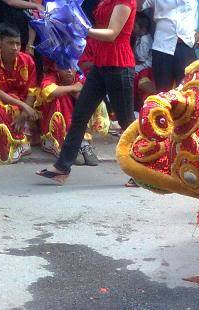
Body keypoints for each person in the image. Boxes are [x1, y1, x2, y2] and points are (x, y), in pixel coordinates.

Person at [36, 0, 137, 184]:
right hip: (100, 65)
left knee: (127, 122)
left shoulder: (126, 1)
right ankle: (62, 168)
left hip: (119, 66)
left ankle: (142, 170)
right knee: (80, 115)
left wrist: (80, 29)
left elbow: (112, 34)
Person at [0, 23, 38, 165]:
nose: (15, 48)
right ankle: (17, 142)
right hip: (3, 105)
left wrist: (24, 113)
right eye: (10, 43)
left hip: (22, 108)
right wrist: (23, 106)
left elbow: (32, 92)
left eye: (18, 44)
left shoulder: (27, 60)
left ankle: (13, 144)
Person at [142, 0, 199, 92]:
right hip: (162, 48)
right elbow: (140, 5)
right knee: (163, 92)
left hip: (185, 48)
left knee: (188, 91)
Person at [36, 63, 95, 164]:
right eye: (64, 67)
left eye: (71, 67)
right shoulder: (51, 77)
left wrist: (73, 91)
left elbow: (89, 95)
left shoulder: (79, 77)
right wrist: (72, 88)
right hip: (53, 124)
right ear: (57, 68)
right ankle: (60, 144)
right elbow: (50, 91)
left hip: (75, 121)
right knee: (59, 97)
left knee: (92, 103)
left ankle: (83, 143)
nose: (68, 70)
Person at [132, 11, 155, 109]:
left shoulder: (145, 39)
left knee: (132, 73)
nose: (132, 29)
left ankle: (136, 105)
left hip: (146, 66)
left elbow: (141, 57)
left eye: (135, 26)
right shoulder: (139, 37)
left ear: (143, 29)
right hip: (141, 64)